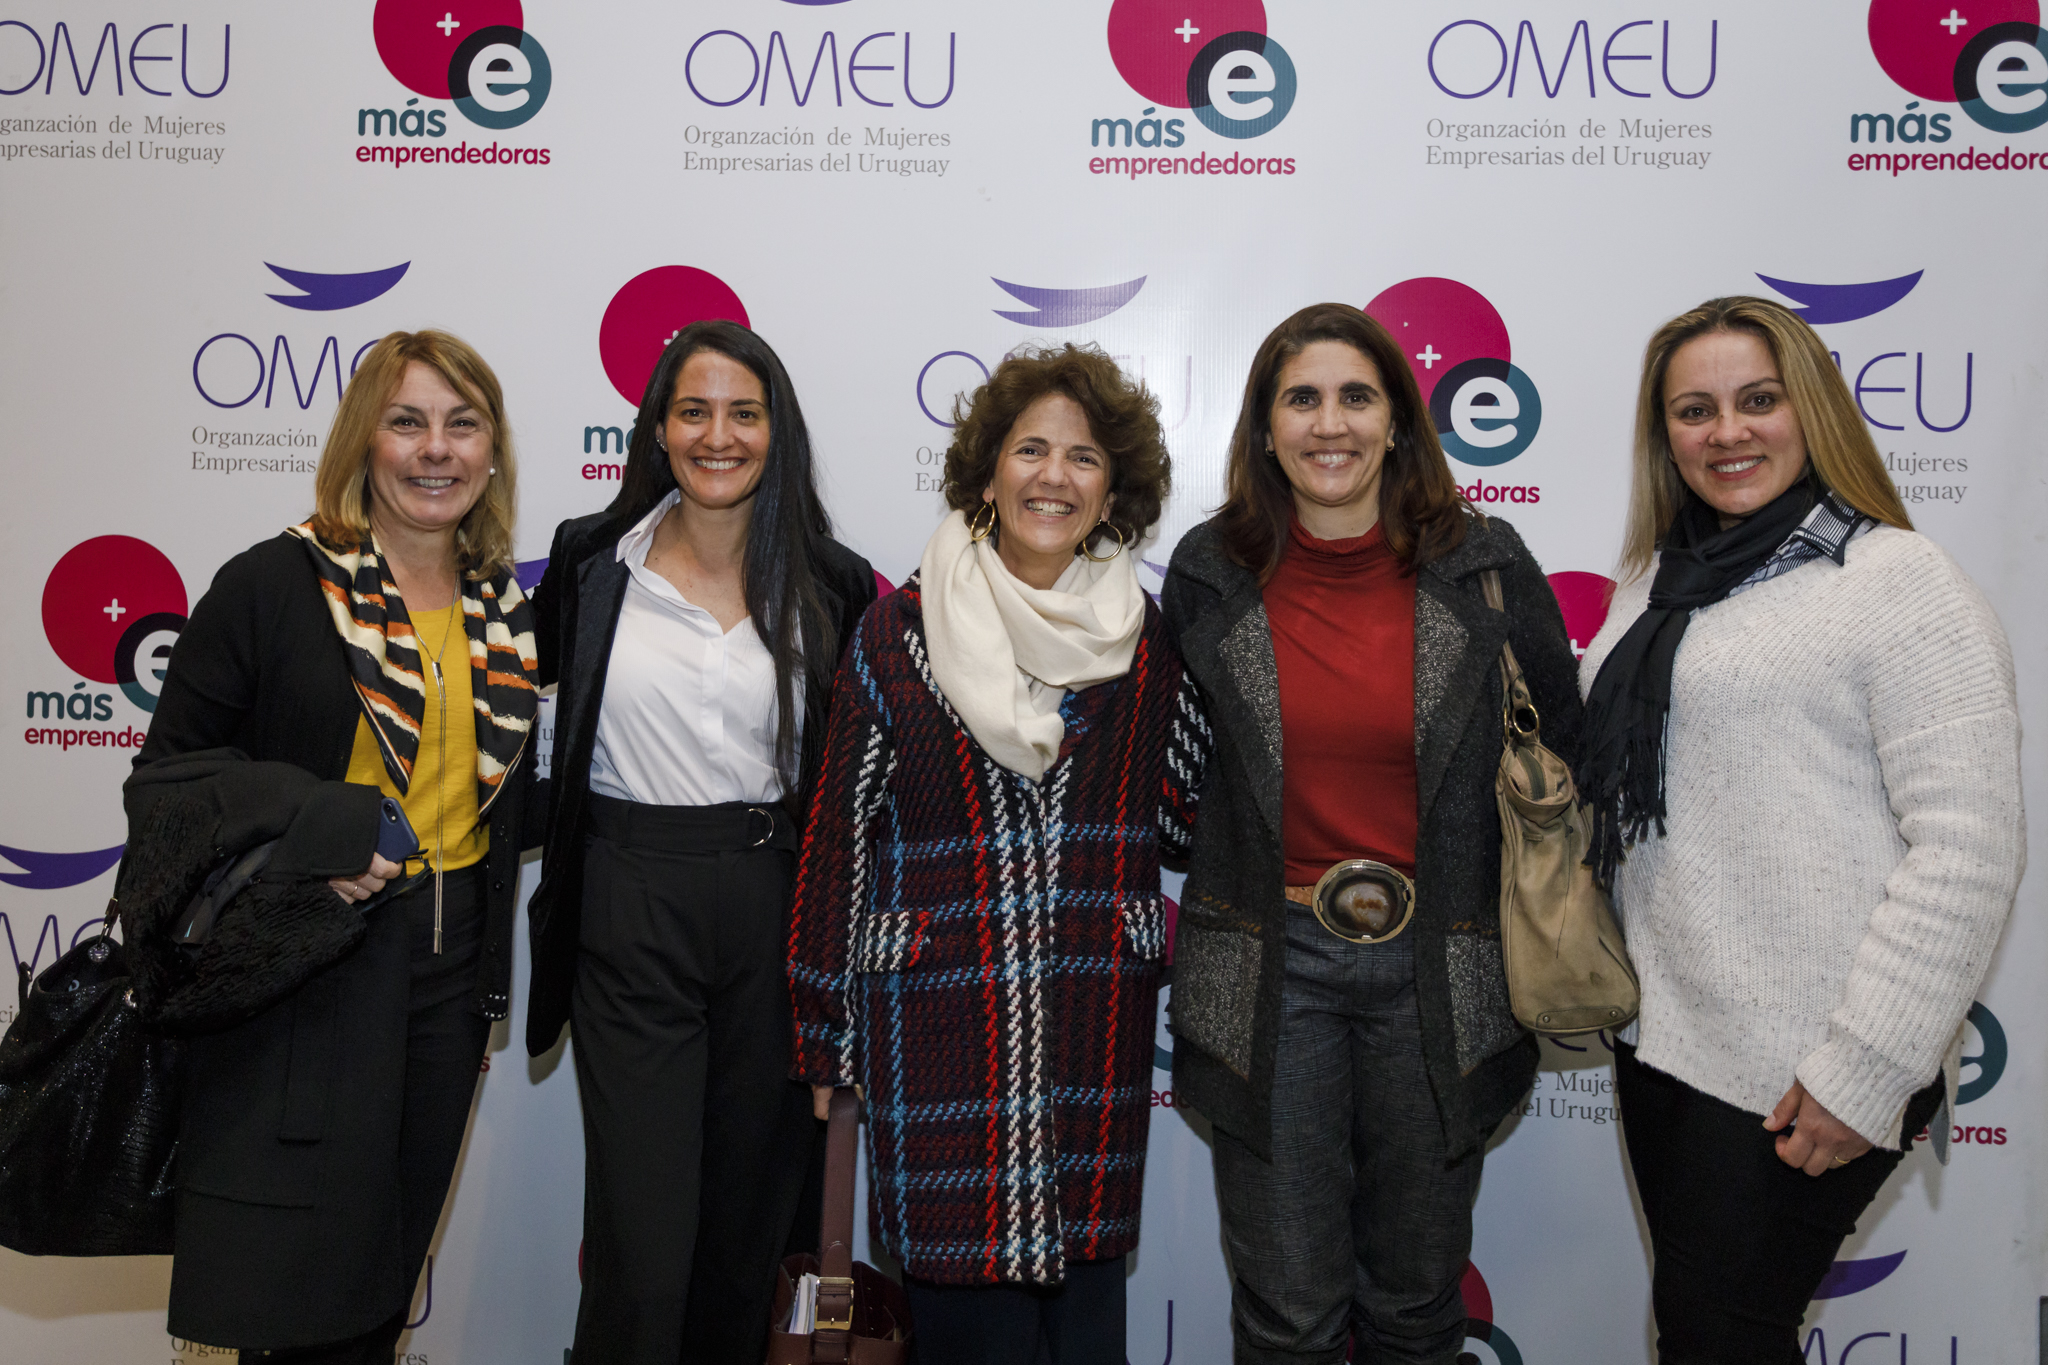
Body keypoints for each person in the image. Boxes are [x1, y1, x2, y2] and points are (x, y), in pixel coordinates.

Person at [1578, 296, 2024, 1362]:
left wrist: (1865, 1066)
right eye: (1694, 410)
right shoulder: (1656, 586)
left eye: (1757, 400)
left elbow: (1967, 849)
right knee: (1704, 1334)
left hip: (1805, 1059)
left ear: (1811, 411)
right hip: (1666, 1039)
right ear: (1664, 435)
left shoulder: (1898, 582)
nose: (1726, 431)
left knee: (1720, 1337)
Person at [1161, 302, 1582, 1364]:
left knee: (1414, 1306)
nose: (1329, 423)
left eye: (1356, 396)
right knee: (1286, 1315)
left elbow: (1565, 755)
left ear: (1397, 420)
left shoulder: (1484, 563)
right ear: (1264, 428)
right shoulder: (1210, 570)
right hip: (1270, 966)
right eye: (1300, 399)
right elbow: (1172, 771)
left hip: (1442, 966)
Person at [788, 343, 1205, 1364]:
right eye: (1030, 450)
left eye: (1083, 457)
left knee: (1086, 1340)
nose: (1053, 476)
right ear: (987, 475)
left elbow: (1184, 818)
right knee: (967, 1338)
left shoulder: (1145, 639)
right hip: (939, 1033)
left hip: (1089, 1029)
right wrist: (824, 1036)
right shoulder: (897, 631)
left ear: (1111, 493)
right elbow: (838, 842)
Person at [132, 330, 540, 1363]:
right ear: (364, 441)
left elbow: (498, 797)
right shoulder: (275, 584)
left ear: (492, 452)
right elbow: (169, 782)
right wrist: (320, 830)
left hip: (451, 974)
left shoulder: (504, 610)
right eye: (408, 422)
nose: (436, 449)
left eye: (463, 424)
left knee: (385, 1282)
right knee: (298, 1296)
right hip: (310, 965)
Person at [525, 320, 878, 1365]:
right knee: (642, 1248)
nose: (718, 435)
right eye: (693, 411)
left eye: (743, 413)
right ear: (657, 430)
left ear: (777, 431)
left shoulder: (836, 580)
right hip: (627, 904)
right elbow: (527, 730)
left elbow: (855, 792)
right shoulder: (591, 561)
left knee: (746, 1238)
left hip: (776, 913)